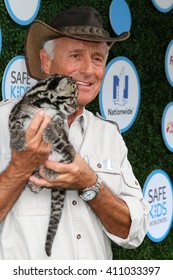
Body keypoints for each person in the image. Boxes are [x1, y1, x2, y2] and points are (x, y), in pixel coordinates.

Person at [0, 6, 150, 260]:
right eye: (76, 55)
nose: (89, 70)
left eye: (98, 59)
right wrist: (20, 167)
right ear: (46, 62)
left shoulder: (109, 134)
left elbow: (133, 231)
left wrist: (90, 184)